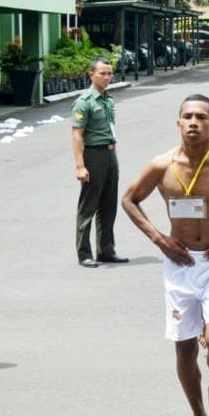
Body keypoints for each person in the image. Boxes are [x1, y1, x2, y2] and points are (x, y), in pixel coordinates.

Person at [121, 94, 209, 416]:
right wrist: (159, 239)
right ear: (178, 123)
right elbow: (129, 199)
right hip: (180, 262)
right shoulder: (162, 164)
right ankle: (198, 412)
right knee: (184, 347)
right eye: (188, 117)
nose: (194, 123)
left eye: (201, 117)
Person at [71, 58, 128, 268]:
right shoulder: (84, 102)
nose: (107, 77)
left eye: (109, 73)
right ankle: (84, 253)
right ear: (91, 74)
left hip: (110, 154)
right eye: (102, 73)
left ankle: (106, 250)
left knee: (108, 205)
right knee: (89, 206)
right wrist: (80, 166)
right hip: (93, 156)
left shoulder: (108, 100)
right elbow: (77, 135)